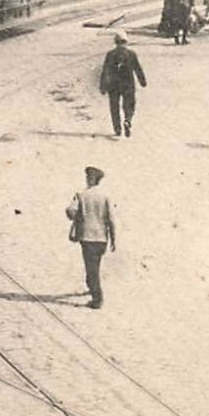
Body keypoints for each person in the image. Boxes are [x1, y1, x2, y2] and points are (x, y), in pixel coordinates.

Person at [66, 166, 116, 309]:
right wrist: (113, 238)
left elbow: (71, 212)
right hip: (102, 238)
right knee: (95, 266)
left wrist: (73, 214)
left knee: (91, 268)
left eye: (88, 178)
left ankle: (97, 299)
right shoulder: (105, 196)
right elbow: (111, 219)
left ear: (91, 179)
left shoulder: (81, 194)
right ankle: (91, 287)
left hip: (88, 237)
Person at [98, 31, 147, 138]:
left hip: (114, 85)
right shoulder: (131, 54)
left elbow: (105, 71)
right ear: (126, 42)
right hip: (128, 84)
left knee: (114, 107)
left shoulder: (110, 55)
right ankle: (128, 120)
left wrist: (103, 86)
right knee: (129, 104)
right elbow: (138, 68)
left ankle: (117, 128)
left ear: (115, 42)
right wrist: (142, 81)